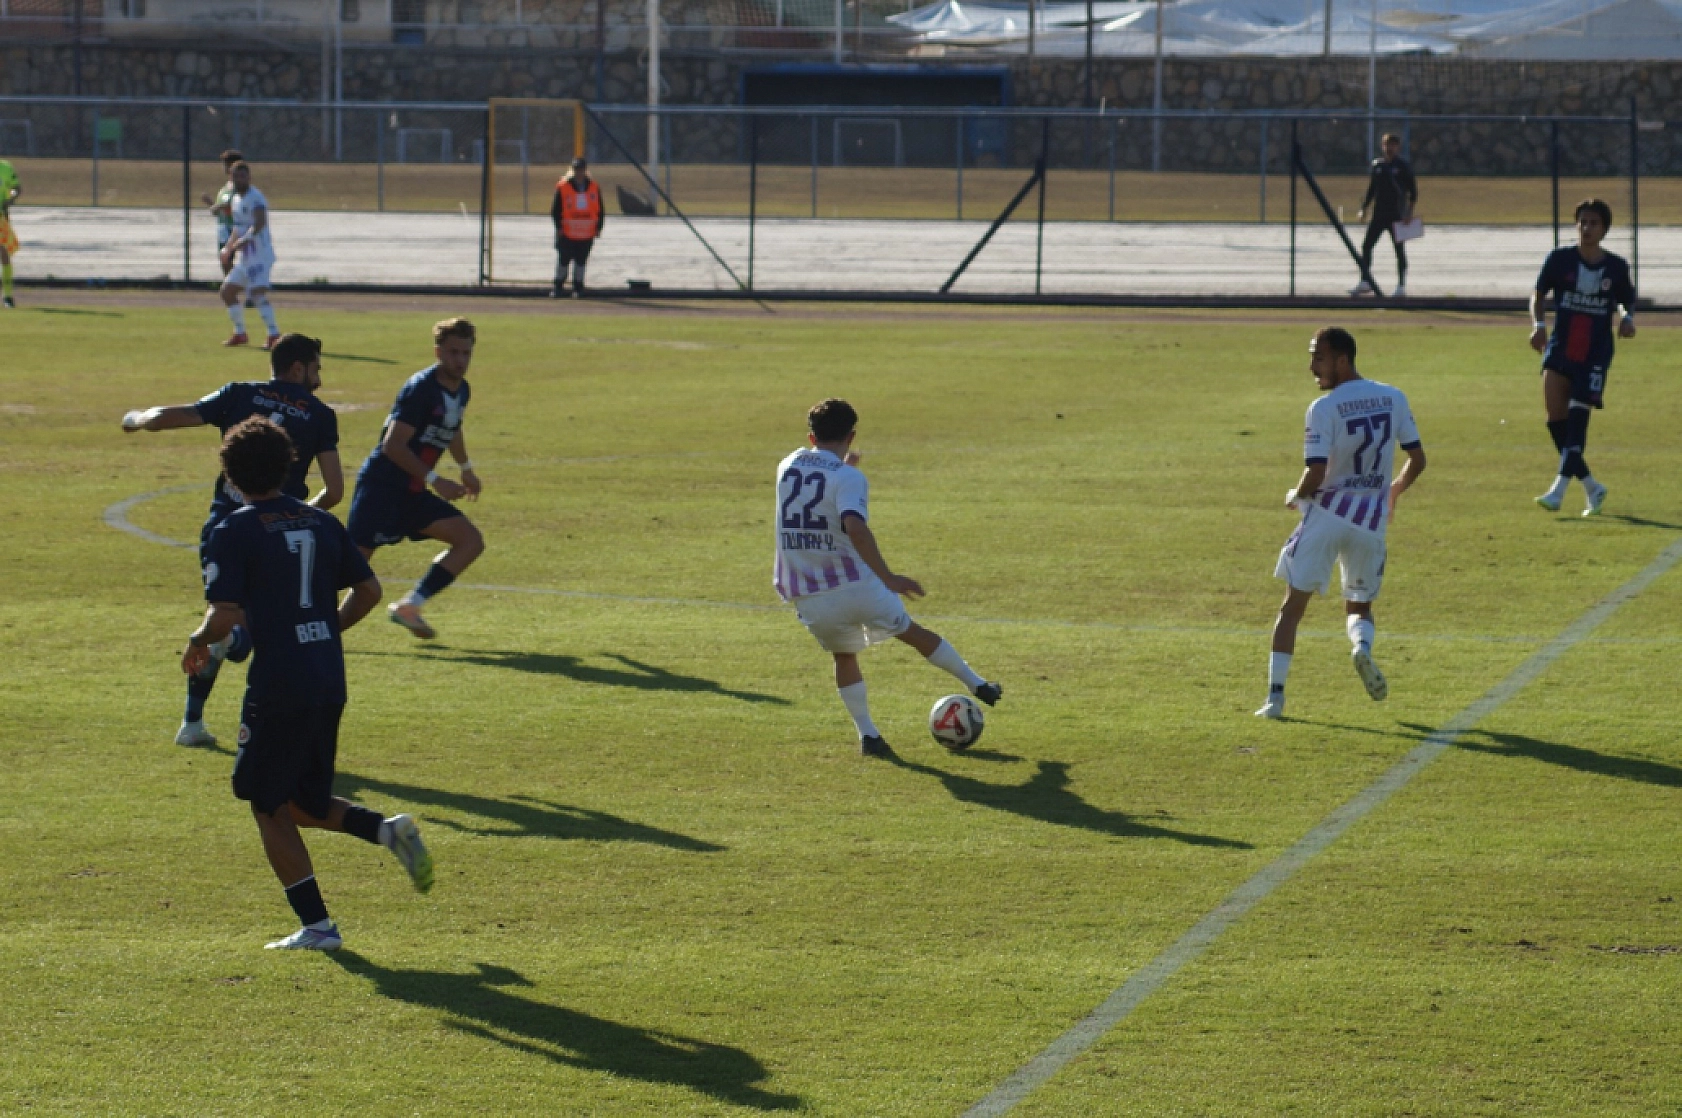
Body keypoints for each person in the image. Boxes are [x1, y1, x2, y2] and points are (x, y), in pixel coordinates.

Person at [184, 416, 433, 952]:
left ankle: (319, 927)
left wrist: (197, 638)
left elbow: (225, 614)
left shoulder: (234, 529)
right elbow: (368, 590)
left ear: (229, 474)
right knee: (300, 800)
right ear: (290, 466)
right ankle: (388, 831)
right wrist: (322, 631)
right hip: (327, 677)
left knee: (263, 803)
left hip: (278, 685)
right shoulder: (320, 521)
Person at [122, 334, 343, 747]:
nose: (320, 378)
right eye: (317, 368)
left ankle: (192, 722)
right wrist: (296, 516)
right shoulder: (319, 415)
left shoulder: (239, 394)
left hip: (226, 528)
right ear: (298, 368)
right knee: (269, 626)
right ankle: (247, 659)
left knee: (223, 613)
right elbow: (333, 491)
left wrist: (135, 418)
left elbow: (166, 416)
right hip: (280, 536)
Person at [775, 398, 1001, 757]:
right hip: (854, 584)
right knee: (910, 632)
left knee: (844, 656)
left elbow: (815, 482)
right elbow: (855, 528)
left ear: (810, 436)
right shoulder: (849, 478)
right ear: (851, 436)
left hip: (808, 591)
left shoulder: (786, 466)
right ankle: (978, 684)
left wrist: (842, 467)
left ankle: (868, 736)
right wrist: (889, 577)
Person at [1257, 328, 1427, 720]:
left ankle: (1275, 699)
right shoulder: (1394, 397)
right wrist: (1393, 492)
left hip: (1328, 516)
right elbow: (1418, 460)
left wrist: (1296, 496)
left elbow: (1316, 471)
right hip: (1370, 520)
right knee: (1359, 604)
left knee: (1291, 609)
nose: (1311, 366)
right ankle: (1361, 650)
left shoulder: (1324, 408)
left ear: (1342, 360)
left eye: (1318, 357)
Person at [348, 317, 484, 640]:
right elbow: (392, 445)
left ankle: (410, 607)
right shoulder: (421, 389)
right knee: (350, 573)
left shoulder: (461, 390)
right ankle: (309, 628)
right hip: (380, 490)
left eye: (466, 353)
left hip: (410, 493)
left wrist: (466, 468)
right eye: (453, 352)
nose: (460, 360)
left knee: (470, 541)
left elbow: (452, 428)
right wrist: (437, 480)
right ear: (438, 352)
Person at [1528, 198, 1636, 517]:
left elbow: (1626, 301)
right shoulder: (1560, 260)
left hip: (1595, 352)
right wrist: (1537, 325)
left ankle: (1558, 490)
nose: (1586, 228)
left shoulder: (1615, 267)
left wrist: (1627, 318)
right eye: (1582, 222)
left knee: (1577, 421)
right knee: (1555, 420)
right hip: (1561, 347)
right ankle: (1592, 487)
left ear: (1604, 230)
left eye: (1593, 223)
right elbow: (1538, 294)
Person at [220, 161, 281, 350]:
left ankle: (274, 335)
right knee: (227, 291)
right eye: (236, 176)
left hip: (260, 255)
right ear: (230, 177)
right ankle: (240, 333)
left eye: (243, 176)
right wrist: (228, 248)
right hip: (245, 257)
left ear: (249, 178)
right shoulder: (235, 199)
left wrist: (246, 239)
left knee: (256, 294)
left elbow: (259, 223)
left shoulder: (256, 198)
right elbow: (238, 228)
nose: (239, 179)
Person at [1350, 133, 1417, 300]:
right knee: (1367, 246)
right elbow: (1372, 190)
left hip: (1396, 215)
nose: (1390, 148)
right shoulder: (1378, 166)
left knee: (1399, 250)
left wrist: (1408, 213)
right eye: (1387, 145)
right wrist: (1364, 208)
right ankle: (1365, 280)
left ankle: (1401, 286)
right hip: (1379, 214)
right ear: (1382, 146)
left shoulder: (1402, 167)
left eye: (1393, 145)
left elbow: (1413, 192)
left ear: (1398, 147)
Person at [550, 157, 603, 299]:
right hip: (567, 232)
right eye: (576, 170)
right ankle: (558, 286)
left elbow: (600, 209)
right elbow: (555, 210)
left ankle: (578, 287)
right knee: (563, 260)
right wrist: (558, 227)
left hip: (586, 233)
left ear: (585, 171)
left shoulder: (593, 187)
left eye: (581, 170)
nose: (578, 173)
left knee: (581, 262)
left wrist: (599, 227)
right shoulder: (563, 186)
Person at [201, 148, 244, 280]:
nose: (223, 168)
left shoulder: (238, 186)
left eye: (225, 164)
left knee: (227, 259)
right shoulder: (226, 187)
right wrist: (211, 204)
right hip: (223, 228)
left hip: (232, 228)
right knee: (224, 260)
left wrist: (217, 206)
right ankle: (232, 287)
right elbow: (221, 211)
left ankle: (235, 286)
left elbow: (231, 205)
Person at [1, 156, 20, 308]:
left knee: (4, 253)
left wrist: (11, 198)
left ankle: (7, 296)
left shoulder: (5, 167)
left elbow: (16, 188)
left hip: (1, 217)